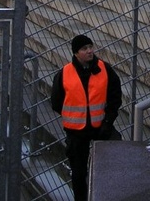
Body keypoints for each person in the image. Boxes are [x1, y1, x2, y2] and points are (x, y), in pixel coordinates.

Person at [50, 34, 122, 201]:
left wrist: (108, 121)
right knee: (78, 173)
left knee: (110, 163)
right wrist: (74, 116)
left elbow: (115, 97)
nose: (90, 51)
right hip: (76, 131)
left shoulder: (104, 69)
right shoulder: (65, 73)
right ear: (76, 53)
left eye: (90, 47)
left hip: (101, 127)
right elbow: (56, 101)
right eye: (84, 49)